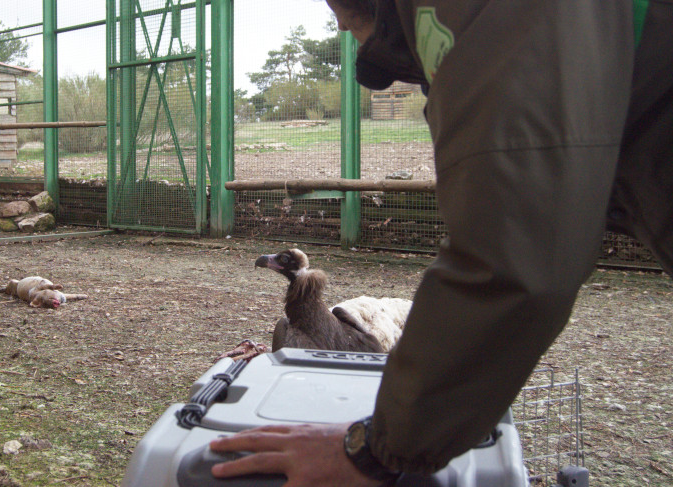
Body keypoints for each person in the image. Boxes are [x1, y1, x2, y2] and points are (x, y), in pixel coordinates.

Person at [210, 0, 673, 485]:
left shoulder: (485, 17)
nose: (340, 22)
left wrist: (373, 450)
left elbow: (511, 256)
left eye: (340, 8)